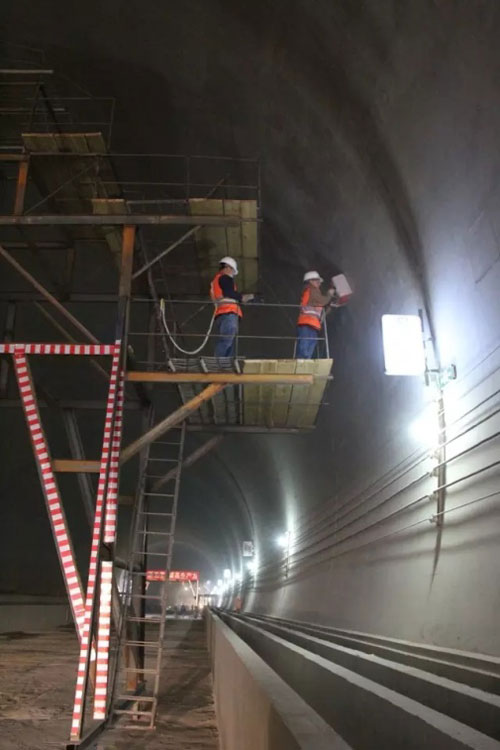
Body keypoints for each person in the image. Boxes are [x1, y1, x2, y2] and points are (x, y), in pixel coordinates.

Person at [210, 256, 254, 357]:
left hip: (222, 314)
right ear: (227, 267)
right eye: (232, 271)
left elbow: (224, 295)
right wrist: (244, 297)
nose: (232, 274)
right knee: (227, 341)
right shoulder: (224, 277)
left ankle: (224, 366)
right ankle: (218, 364)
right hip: (228, 312)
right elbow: (229, 293)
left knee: (228, 342)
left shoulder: (216, 281)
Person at [296, 271, 335, 358]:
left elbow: (321, 308)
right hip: (307, 324)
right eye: (317, 281)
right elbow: (322, 301)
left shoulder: (313, 292)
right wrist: (329, 294)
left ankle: (304, 366)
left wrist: (330, 304)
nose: (319, 283)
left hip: (312, 325)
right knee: (305, 350)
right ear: (310, 281)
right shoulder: (311, 290)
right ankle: (301, 366)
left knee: (308, 350)